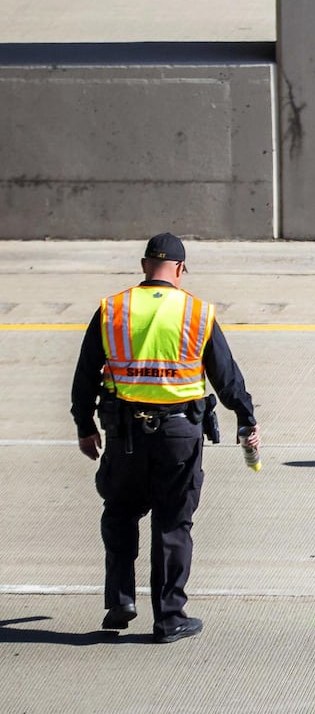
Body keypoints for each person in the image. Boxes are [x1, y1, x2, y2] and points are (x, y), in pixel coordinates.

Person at [69, 233, 259, 643]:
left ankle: (120, 600)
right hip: (178, 433)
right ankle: (169, 618)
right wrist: (246, 418)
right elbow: (226, 377)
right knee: (173, 523)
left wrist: (84, 427)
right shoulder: (196, 312)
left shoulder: (112, 309)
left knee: (120, 512)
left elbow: (85, 376)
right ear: (180, 269)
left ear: (143, 265)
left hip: (124, 435)